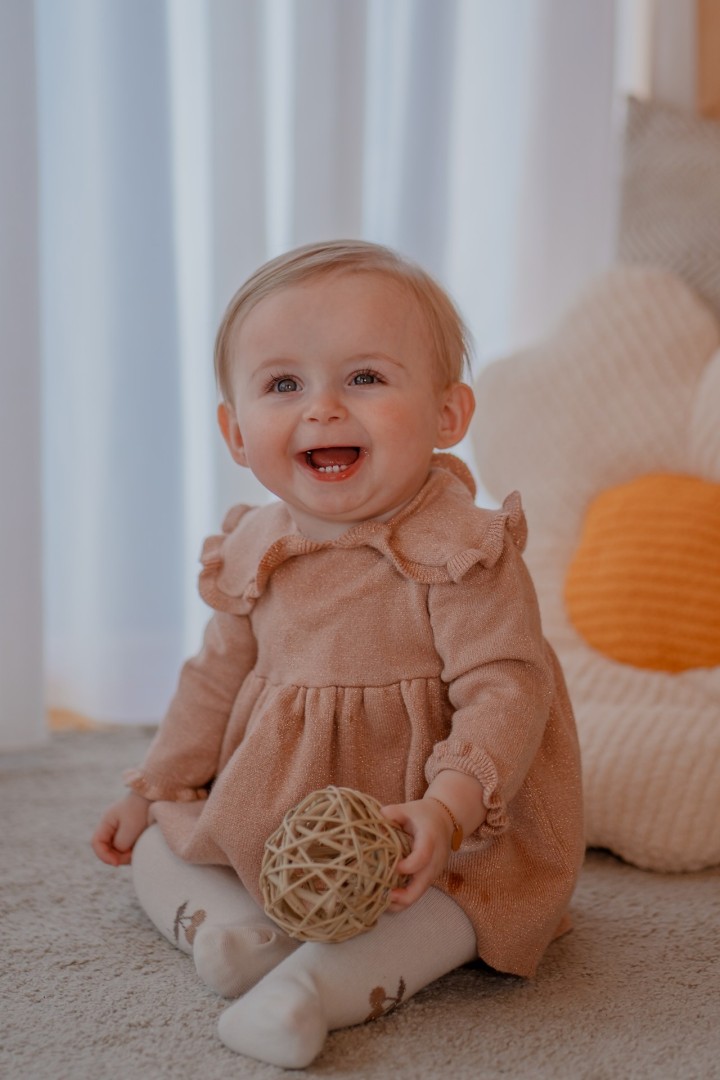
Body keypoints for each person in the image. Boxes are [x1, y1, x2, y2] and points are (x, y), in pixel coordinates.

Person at [91, 239, 584, 1069]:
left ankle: (309, 993)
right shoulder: (255, 546)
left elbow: (508, 690)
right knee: (155, 841)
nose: (321, 409)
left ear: (447, 415)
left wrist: (447, 811)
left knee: (451, 906)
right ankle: (234, 934)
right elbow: (214, 680)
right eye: (284, 385)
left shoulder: (461, 549)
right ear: (236, 431)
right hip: (284, 812)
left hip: (427, 824)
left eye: (364, 377)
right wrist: (157, 784)